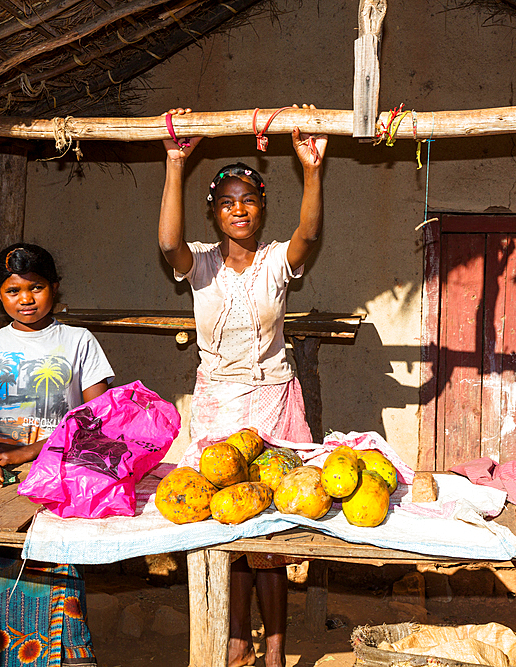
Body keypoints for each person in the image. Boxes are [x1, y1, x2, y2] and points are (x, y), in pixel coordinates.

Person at [158, 106, 326, 667]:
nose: (238, 210)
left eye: (248, 201)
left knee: (271, 531)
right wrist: (175, 164)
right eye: (227, 202)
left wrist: (312, 170)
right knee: (224, 523)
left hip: (274, 400)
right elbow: (167, 243)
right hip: (217, 406)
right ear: (214, 212)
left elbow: (308, 233)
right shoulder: (200, 264)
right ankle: (235, 643)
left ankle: (274, 648)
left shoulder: (276, 262)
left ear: (260, 208)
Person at [0, 243, 114, 667]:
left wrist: (30, 451)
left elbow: (97, 421)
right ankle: (8, 658)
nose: (25, 299)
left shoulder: (78, 341)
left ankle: (72, 655)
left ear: (55, 289)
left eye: (36, 287)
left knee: (58, 561)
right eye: (13, 291)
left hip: (61, 475)